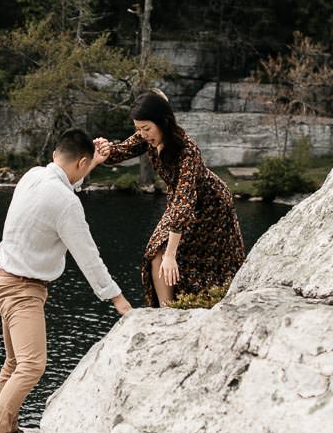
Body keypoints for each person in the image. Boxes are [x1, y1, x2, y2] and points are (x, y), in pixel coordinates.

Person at [0, 127, 132, 433]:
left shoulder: (34, 176)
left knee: (14, 362)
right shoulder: (66, 203)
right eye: (86, 165)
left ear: (55, 155)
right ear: (80, 162)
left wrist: (92, 164)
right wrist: (116, 298)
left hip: (3, 280)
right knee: (32, 365)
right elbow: (88, 256)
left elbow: (64, 187)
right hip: (22, 290)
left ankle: (8, 428)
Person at [93, 92, 247, 308]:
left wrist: (171, 253)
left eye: (146, 128)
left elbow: (185, 202)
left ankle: (199, 305)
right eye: (138, 129)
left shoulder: (187, 150)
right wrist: (106, 150)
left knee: (201, 263)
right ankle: (166, 312)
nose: (142, 134)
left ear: (163, 122)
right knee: (156, 252)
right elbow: (122, 151)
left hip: (212, 206)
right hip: (180, 203)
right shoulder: (147, 137)